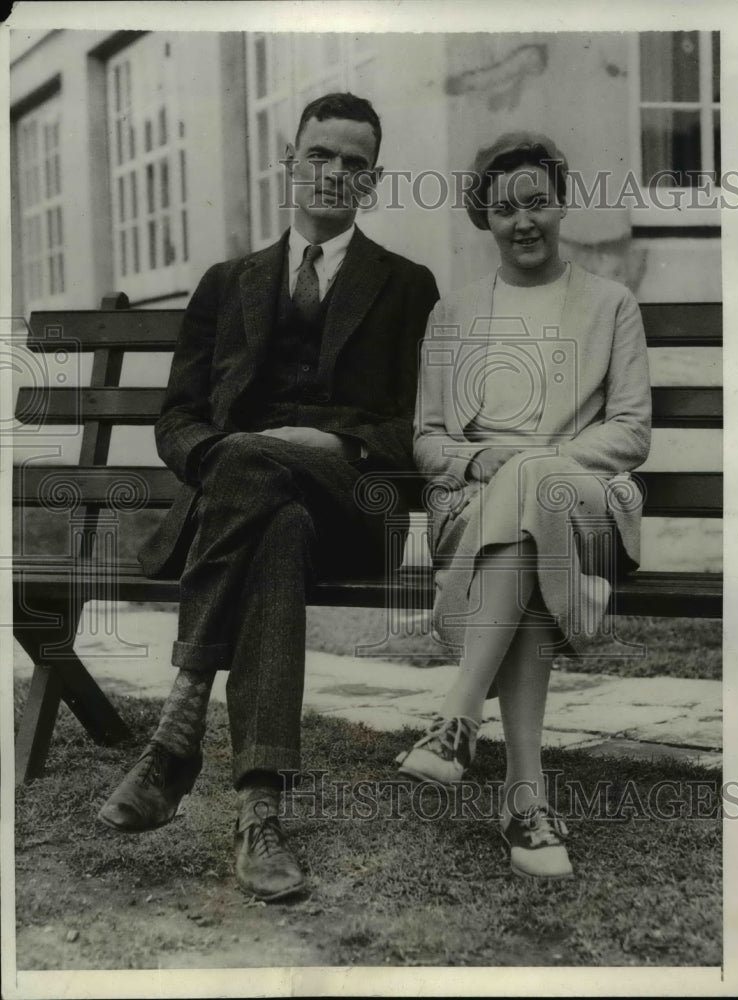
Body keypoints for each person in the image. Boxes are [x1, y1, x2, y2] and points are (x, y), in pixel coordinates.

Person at [98, 92, 439, 901]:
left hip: (351, 503)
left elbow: (417, 428)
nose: (334, 174)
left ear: (373, 181)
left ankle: (177, 729)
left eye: (354, 163)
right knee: (274, 525)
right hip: (252, 509)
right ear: (290, 162)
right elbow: (177, 420)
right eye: (320, 154)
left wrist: (336, 445)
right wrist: (232, 456)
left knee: (261, 471)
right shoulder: (227, 284)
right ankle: (260, 813)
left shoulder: (406, 286)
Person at [396, 132, 651, 879]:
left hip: (583, 498)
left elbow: (631, 430)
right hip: (477, 505)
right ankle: (524, 797)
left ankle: (458, 716)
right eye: (504, 208)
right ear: (485, 220)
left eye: (537, 200)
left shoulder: (612, 304)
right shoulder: (455, 314)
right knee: (523, 530)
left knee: (536, 493)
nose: (524, 220)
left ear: (562, 202)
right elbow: (428, 438)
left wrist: (540, 464)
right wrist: (483, 460)